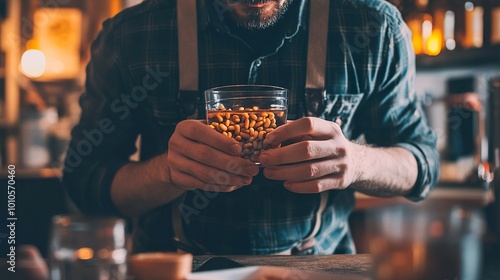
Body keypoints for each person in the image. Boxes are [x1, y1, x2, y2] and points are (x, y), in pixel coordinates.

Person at [63, 0, 439, 255]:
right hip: (173, 266)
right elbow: (85, 182)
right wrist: (167, 172)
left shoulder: (373, 26)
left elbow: (421, 164)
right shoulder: (133, 34)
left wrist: (357, 163)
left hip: (317, 268)